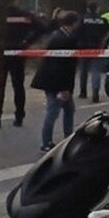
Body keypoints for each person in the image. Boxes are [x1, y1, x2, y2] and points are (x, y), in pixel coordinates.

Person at [31, 11, 81, 152]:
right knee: (53, 111)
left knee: (68, 109)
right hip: (56, 82)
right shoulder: (63, 40)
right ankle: (47, 141)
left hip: (55, 81)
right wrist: (63, 88)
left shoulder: (60, 36)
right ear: (73, 23)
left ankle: (67, 137)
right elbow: (60, 66)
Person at [4, 0, 41, 127]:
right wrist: (27, 41)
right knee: (18, 86)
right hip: (18, 53)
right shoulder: (24, 15)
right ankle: (19, 115)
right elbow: (41, 28)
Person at [78, 8, 109, 102]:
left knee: (83, 70)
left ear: (88, 9)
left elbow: (78, 32)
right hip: (97, 48)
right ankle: (95, 93)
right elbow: (108, 32)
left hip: (84, 47)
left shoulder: (83, 19)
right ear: (97, 9)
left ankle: (83, 92)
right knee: (96, 71)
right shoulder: (103, 20)